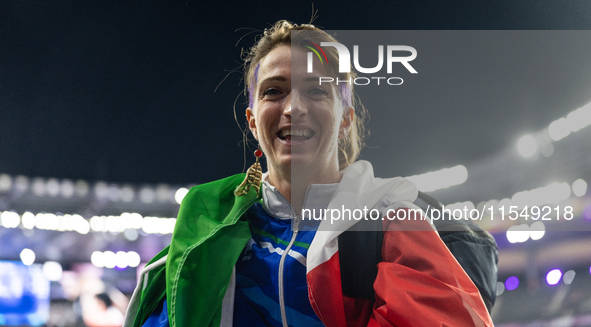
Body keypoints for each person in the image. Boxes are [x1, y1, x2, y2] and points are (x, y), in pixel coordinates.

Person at [123, 21, 494, 327]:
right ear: (252, 120)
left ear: (345, 118)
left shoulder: (389, 221)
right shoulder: (207, 223)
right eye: (274, 91)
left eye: (316, 90)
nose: (294, 108)